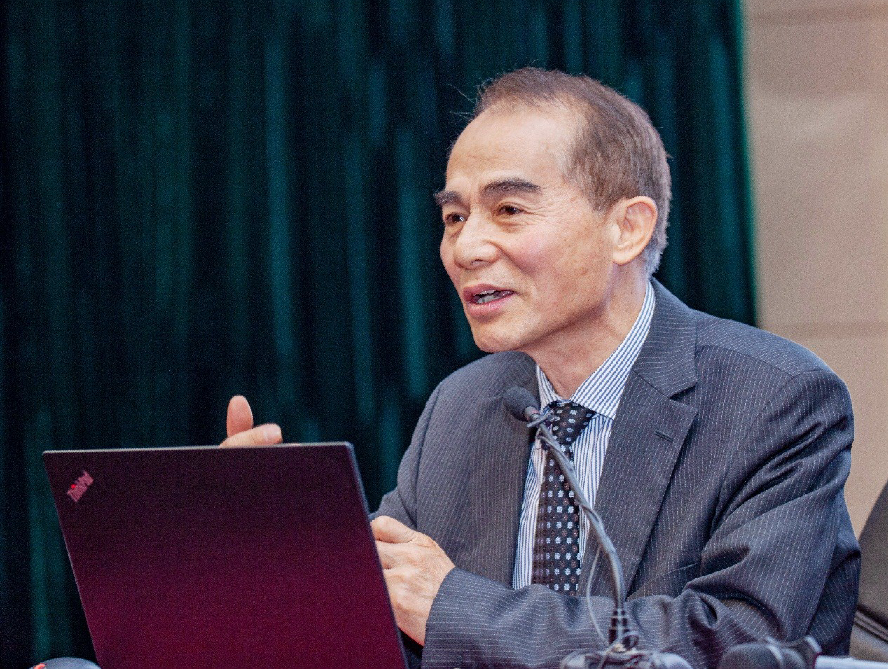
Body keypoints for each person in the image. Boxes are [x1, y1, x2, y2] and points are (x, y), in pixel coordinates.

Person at [223, 68, 859, 669]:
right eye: (454, 218)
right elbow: (383, 618)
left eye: (508, 210)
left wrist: (457, 608)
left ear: (627, 229)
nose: (467, 248)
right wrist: (275, 547)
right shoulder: (461, 406)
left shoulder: (772, 399)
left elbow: (738, 641)